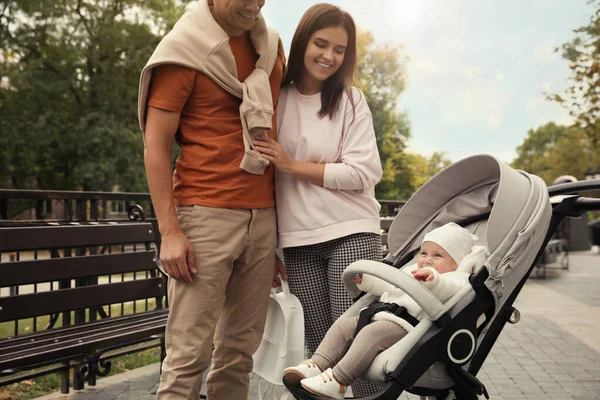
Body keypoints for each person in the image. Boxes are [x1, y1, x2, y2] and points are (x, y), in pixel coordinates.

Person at [137, 0, 286, 398]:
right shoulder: (184, 51)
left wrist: (274, 241)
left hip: (263, 217)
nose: (255, 4)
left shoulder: (270, 48)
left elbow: (276, 134)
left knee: (239, 354)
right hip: (204, 215)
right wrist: (170, 232)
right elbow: (155, 147)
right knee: (188, 358)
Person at [252, 2, 383, 396]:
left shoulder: (350, 101)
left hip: (351, 234)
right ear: (302, 42)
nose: (328, 56)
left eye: (339, 49)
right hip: (298, 243)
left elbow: (363, 173)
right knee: (319, 357)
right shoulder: (276, 100)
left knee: (359, 347)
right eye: (320, 44)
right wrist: (274, 246)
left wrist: (293, 166)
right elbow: (264, 184)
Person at [282, 222, 488, 399]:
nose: (427, 260)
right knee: (344, 327)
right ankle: (316, 365)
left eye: (438, 255)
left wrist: (434, 282)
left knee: (371, 335)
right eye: (424, 253)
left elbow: (449, 290)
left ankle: (338, 381)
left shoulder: (456, 280)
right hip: (380, 316)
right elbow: (390, 287)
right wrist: (368, 282)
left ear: (457, 261)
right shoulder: (412, 270)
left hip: (408, 327)